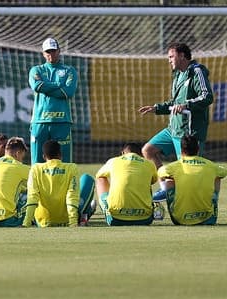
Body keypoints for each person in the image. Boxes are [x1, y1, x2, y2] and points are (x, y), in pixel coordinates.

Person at [138, 43, 213, 200]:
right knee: (148, 150)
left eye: (171, 56)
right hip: (173, 129)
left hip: (189, 133)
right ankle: (166, 188)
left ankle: (198, 204)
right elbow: (174, 103)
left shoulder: (197, 71)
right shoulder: (178, 75)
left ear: (182, 56)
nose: (169, 60)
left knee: (188, 174)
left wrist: (187, 105)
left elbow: (207, 97)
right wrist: (157, 108)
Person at [157, 135, 227, 225]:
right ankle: (211, 207)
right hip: (208, 219)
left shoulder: (173, 167)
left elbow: (160, 172)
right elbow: (224, 172)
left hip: (180, 219)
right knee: (217, 177)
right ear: (198, 149)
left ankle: (176, 206)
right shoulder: (211, 165)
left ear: (181, 151)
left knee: (170, 181)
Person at [28, 37, 78, 164]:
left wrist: (46, 86)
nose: (51, 54)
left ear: (59, 51)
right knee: (37, 163)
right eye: (48, 52)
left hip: (61, 121)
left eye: (53, 51)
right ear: (43, 53)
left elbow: (68, 92)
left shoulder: (69, 70)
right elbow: (37, 86)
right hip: (40, 121)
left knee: (64, 163)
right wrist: (58, 85)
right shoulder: (36, 70)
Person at [23, 140, 95, 227]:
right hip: (67, 220)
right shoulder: (72, 168)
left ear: (43, 156)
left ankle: (84, 215)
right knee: (87, 179)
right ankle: (85, 215)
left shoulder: (35, 169)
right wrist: (73, 223)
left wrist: (26, 223)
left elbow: (32, 197)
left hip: (43, 222)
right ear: (60, 155)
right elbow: (72, 196)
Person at [95, 143, 158, 226]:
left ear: (122, 153)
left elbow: (99, 175)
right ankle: (144, 208)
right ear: (141, 155)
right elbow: (153, 181)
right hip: (145, 219)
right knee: (147, 181)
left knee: (100, 178)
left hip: (115, 218)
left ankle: (107, 208)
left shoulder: (113, 161)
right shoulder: (149, 164)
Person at [0, 137, 30, 227]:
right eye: (23, 156)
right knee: (33, 196)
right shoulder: (19, 167)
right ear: (18, 153)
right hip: (7, 219)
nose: (22, 159)